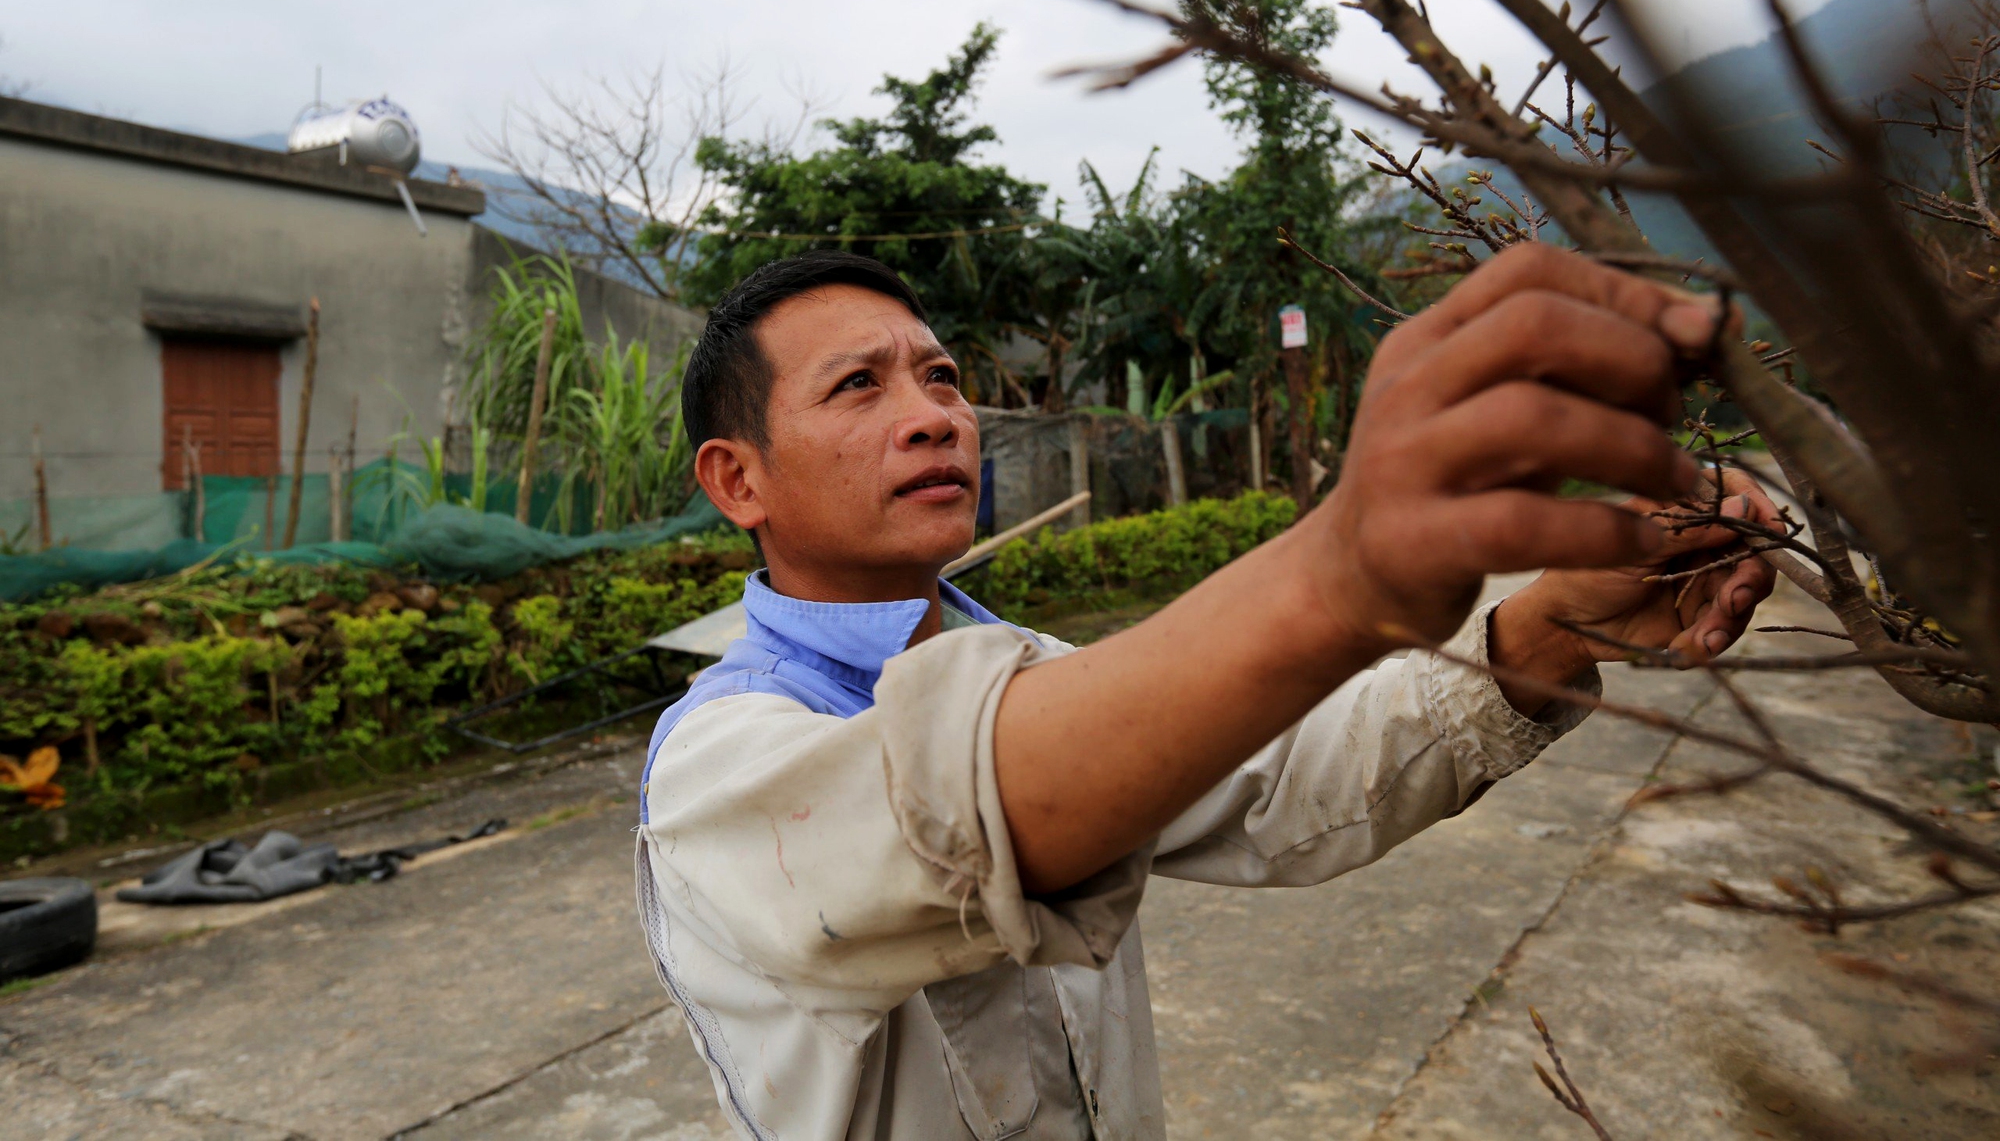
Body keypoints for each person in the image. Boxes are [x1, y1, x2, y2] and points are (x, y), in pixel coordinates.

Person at [635, 246, 1778, 1139]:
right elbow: (975, 801)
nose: (933, 412)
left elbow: (1285, 782)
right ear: (738, 479)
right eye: (856, 385)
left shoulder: (1035, 668)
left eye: (939, 375)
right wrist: (1341, 571)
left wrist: (1540, 625)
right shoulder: (720, 764)